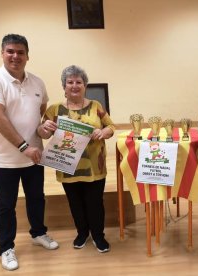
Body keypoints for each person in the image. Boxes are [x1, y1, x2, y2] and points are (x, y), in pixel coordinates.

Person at [0, 34, 59, 271]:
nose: (15, 56)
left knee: (37, 198)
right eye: (10, 51)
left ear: (27, 56)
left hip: (35, 156)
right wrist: (24, 146)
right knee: (6, 205)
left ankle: (38, 233)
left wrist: (44, 129)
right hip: (4, 159)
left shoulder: (37, 83)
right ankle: (6, 248)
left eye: (20, 52)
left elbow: (41, 115)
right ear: (2, 53)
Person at [38, 65, 115, 253]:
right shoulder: (54, 109)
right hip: (66, 166)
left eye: (78, 82)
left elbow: (111, 127)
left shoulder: (96, 107)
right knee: (75, 203)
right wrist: (45, 127)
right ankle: (82, 233)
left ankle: (98, 235)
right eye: (70, 82)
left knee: (95, 203)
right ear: (64, 86)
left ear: (85, 85)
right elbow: (42, 133)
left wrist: (103, 132)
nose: (74, 85)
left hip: (94, 168)